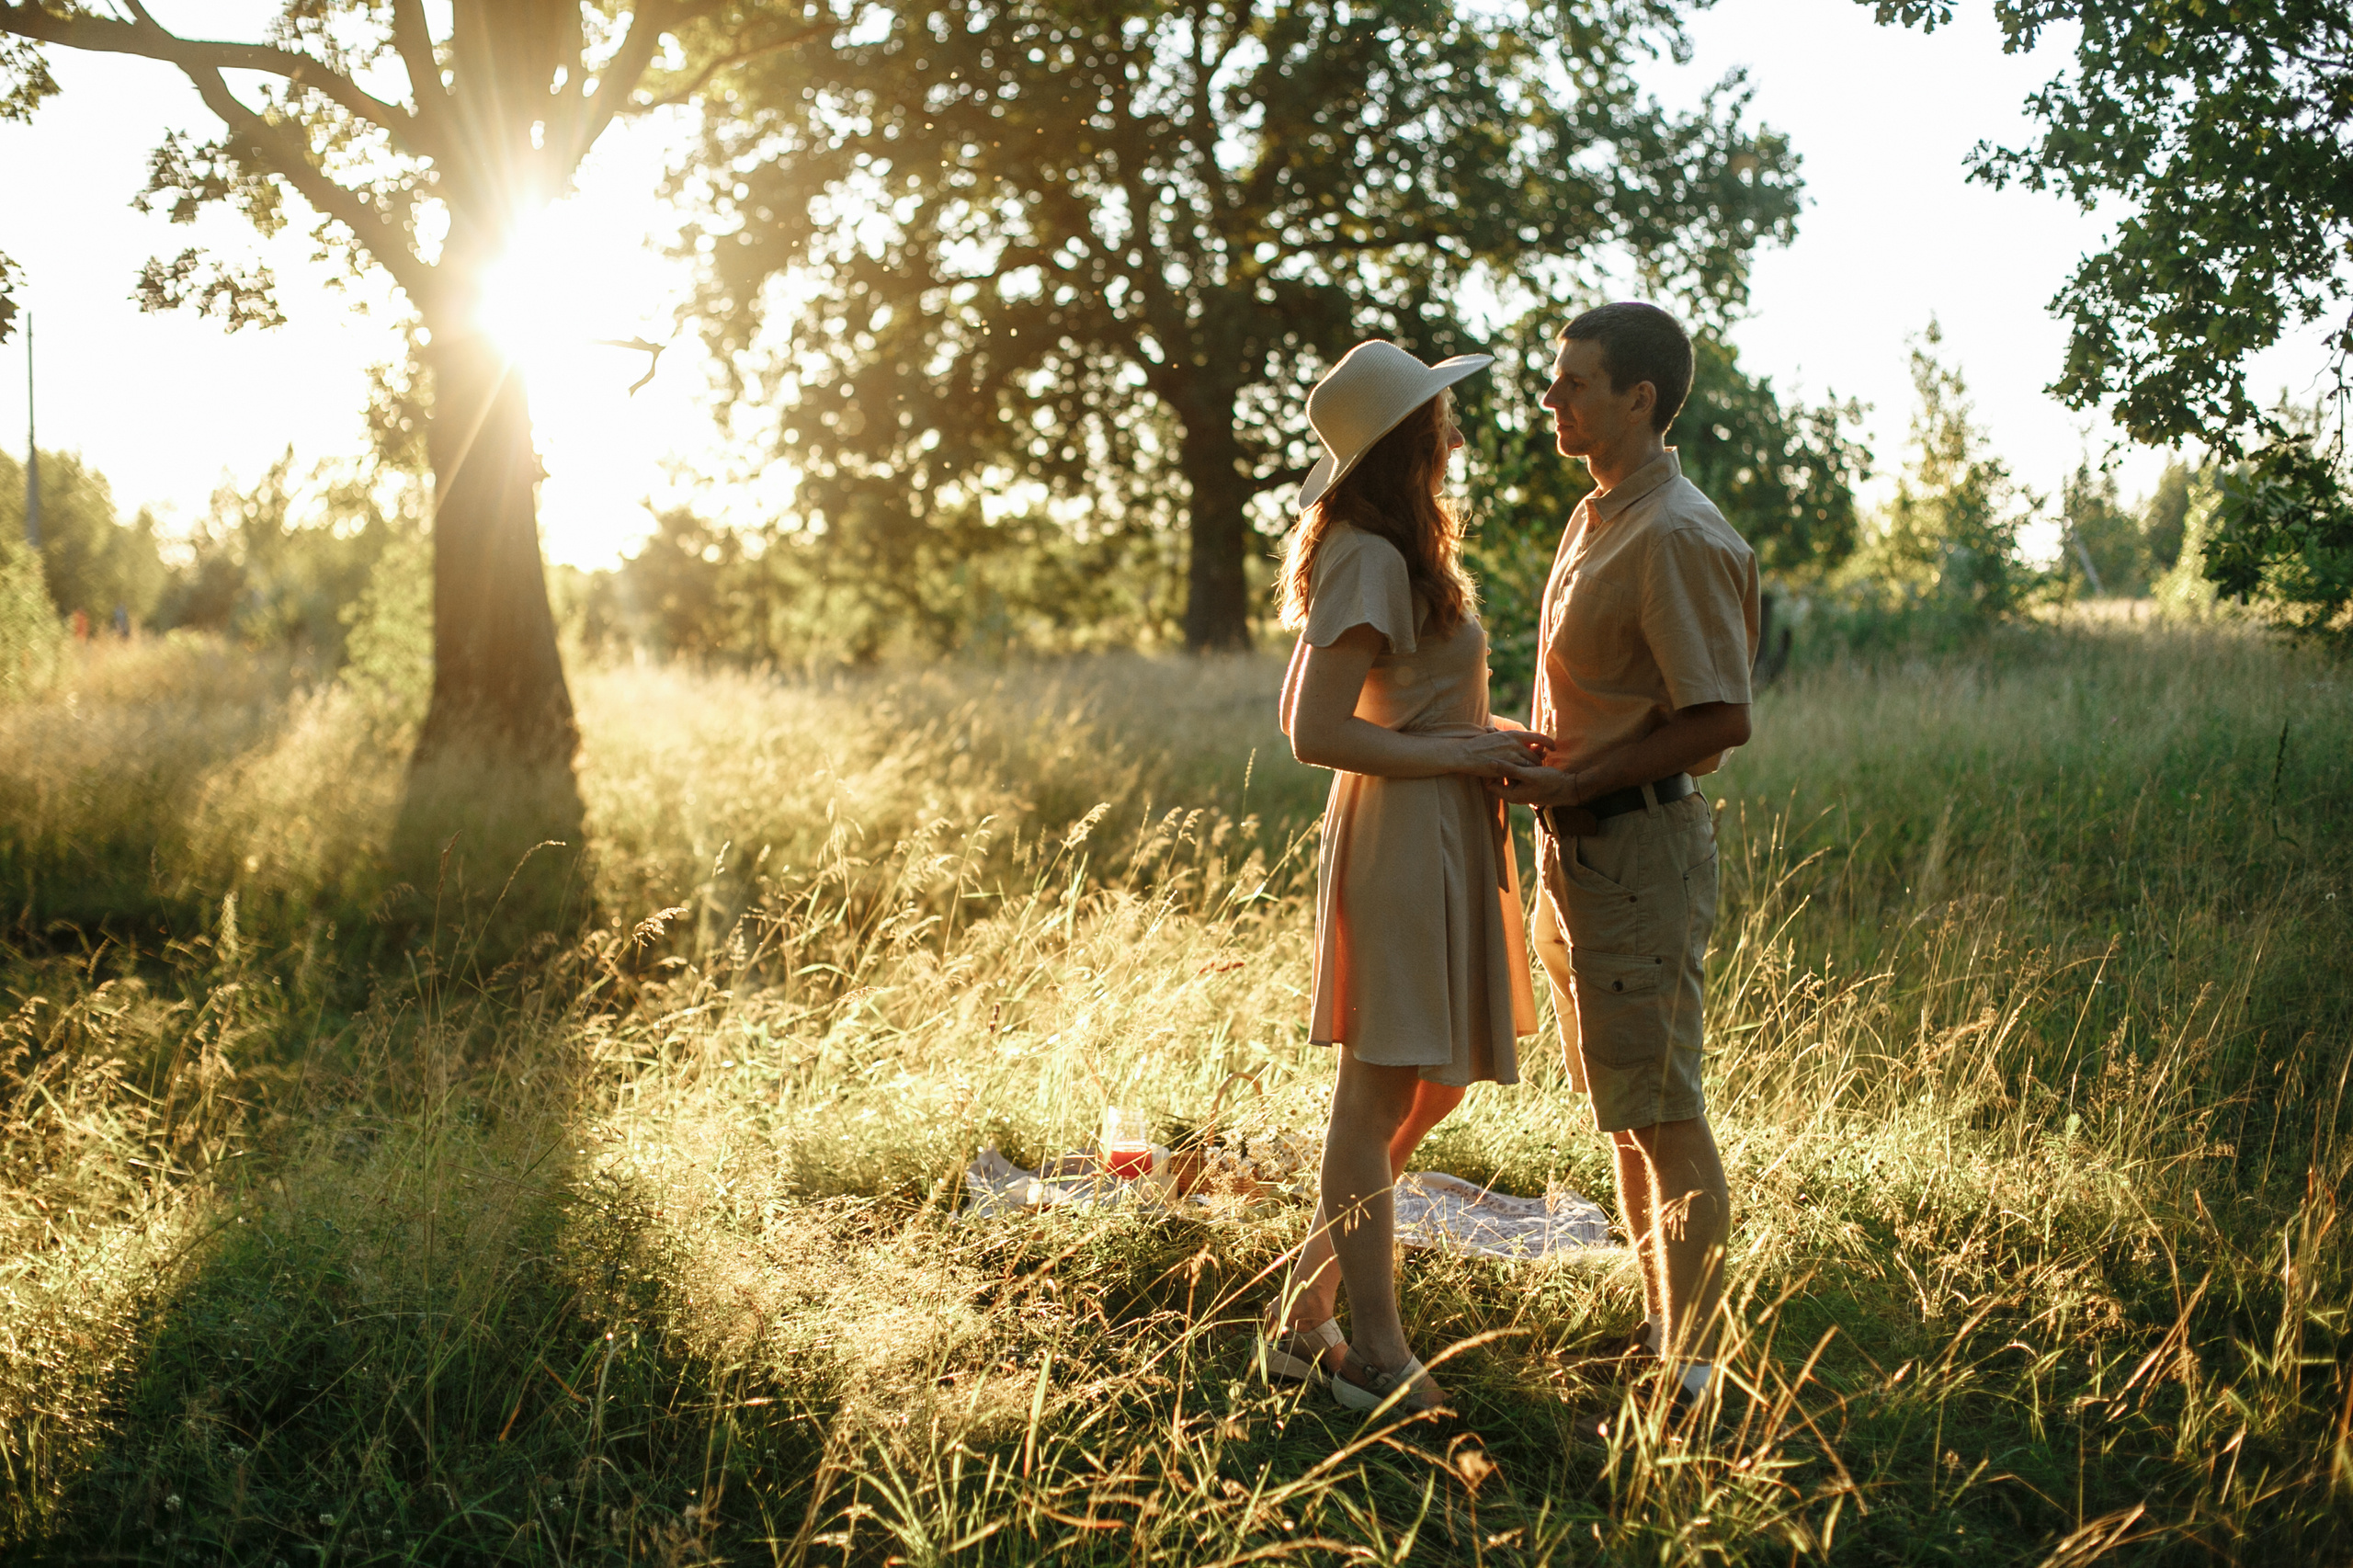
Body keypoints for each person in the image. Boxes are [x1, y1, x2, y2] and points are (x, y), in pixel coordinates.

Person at [1257, 339, 1543, 1415]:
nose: (1457, 430)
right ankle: (1370, 1349)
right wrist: (1460, 754)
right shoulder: (1368, 552)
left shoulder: (1393, 548)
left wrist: (1498, 737)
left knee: (1436, 1075)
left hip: (1443, 824)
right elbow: (1313, 731)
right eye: (1441, 414)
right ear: (1406, 439)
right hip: (1402, 836)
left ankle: (1303, 1305)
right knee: (1376, 1090)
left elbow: (1408, 703)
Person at [1489, 301, 1758, 1417]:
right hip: (1578, 845)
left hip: (1638, 841)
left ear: (1639, 397)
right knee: (1620, 1102)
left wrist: (1577, 782)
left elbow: (1719, 719)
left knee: (1665, 1106)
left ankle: (1694, 1372)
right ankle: (1659, 1330)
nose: (1553, 399)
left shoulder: (1678, 535)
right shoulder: (1595, 515)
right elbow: (1596, 697)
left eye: (1575, 383)